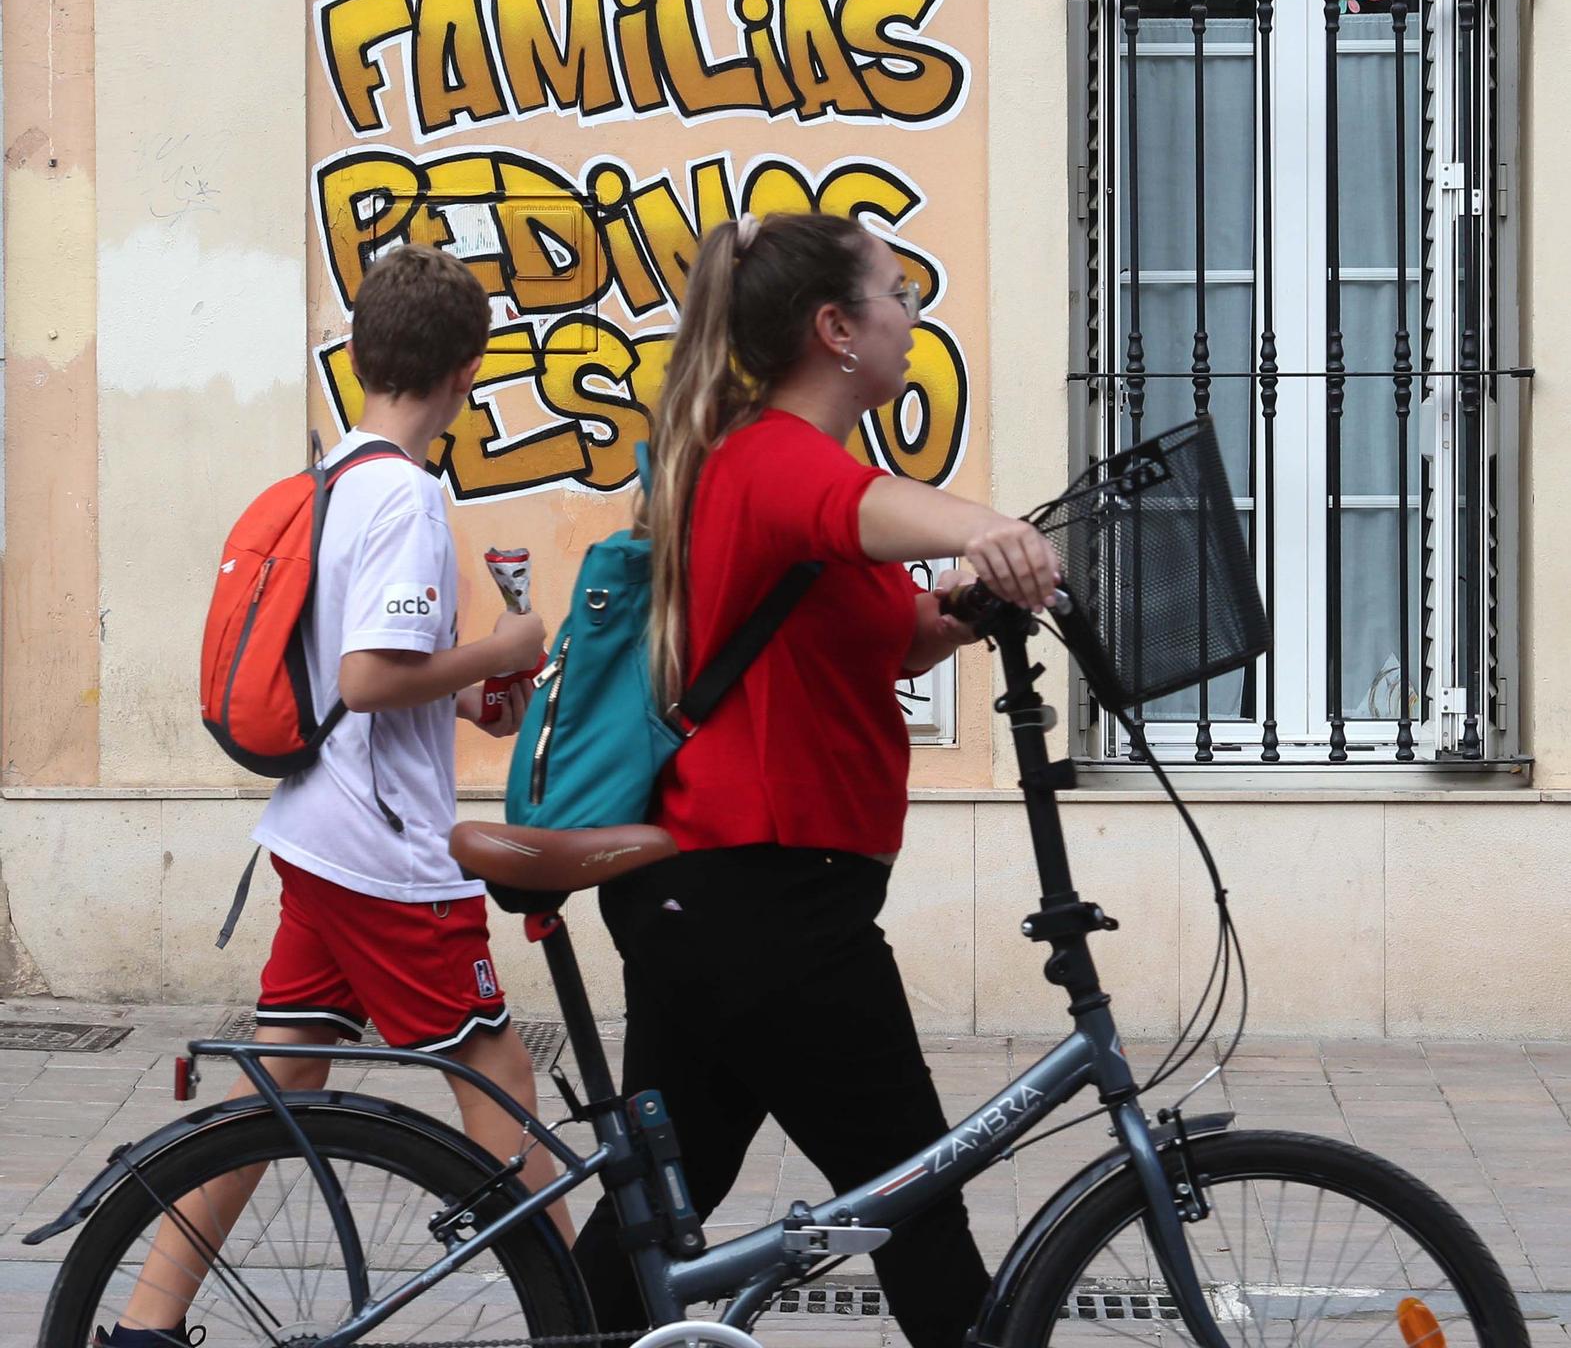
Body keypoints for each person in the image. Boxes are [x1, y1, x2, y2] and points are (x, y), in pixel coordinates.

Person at [572, 212, 1061, 1348]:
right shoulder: (776, 459)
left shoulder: (780, 466)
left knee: (657, 1226)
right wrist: (988, 527)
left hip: (725, 894)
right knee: (912, 1203)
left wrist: (955, 612)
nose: (911, 315)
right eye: (898, 295)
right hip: (766, 900)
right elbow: (866, 514)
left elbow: (880, 630)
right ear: (835, 328)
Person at [105, 243, 566, 1348]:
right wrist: (506, 642)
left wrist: (470, 696)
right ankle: (578, 1308)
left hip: (315, 835)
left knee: (275, 1086)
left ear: (362, 355)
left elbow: (356, 670)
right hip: (389, 854)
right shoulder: (405, 497)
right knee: (498, 1076)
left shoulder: (333, 482)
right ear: (466, 372)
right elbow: (366, 678)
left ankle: (143, 1325)